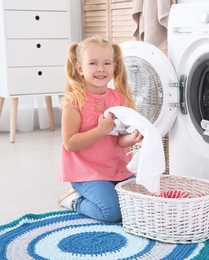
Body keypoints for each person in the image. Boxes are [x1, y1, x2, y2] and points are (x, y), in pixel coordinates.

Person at [56, 36, 143, 223]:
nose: (101, 69)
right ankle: (74, 201)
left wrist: (133, 138)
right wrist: (100, 130)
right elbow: (70, 143)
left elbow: (120, 140)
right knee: (112, 212)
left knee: (142, 202)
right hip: (86, 173)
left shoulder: (120, 99)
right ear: (80, 68)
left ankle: (101, 194)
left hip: (118, 169)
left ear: (114, 66)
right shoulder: (74, 100)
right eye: (93, 63)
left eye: (106, 63)